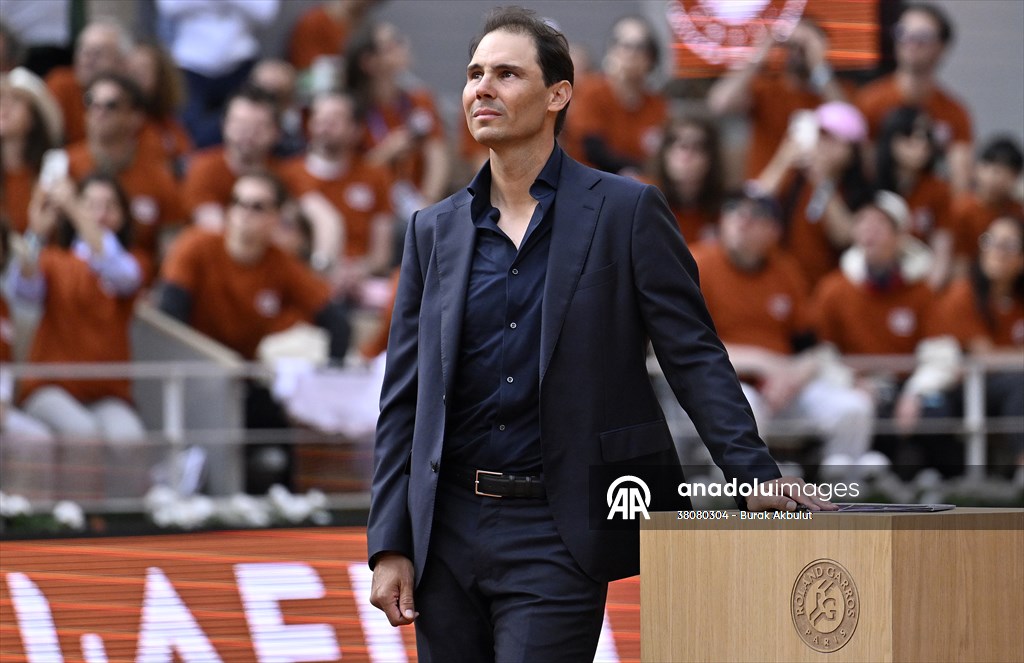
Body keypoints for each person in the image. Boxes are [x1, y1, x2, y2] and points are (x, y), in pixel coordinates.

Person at [367, 8, 831, 662]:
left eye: (506, 73)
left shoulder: (626, 211)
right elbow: (404, 398)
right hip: (445, 533)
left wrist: (751, 471)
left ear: (558, 94)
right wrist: (391, 541)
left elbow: (692, 353)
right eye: (474, 74)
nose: (482, 89)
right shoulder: (431, 231)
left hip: (561, 528)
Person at [159, 171, 350, 491]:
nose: (244, 214)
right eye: (238, 203)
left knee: (279, 423)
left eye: (257, 207)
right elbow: (169, 320)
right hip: (191, 373)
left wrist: (328, 376)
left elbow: (336, 321)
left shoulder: (280, 264)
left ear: (275, 217)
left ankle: (289, 507)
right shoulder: (194, 246)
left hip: (241, 377)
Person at [692, 188, 874, 463]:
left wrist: (792, 377)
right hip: (722, 382)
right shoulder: (697, 263)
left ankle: (845, 492)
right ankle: (739, 498)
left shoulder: (786, 271)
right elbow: (685, 345)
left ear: (774, 231)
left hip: (783, 384)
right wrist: (762, 362)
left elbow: (812, 347)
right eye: (734, 209)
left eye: (757, 214)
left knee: (854, 408)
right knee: (743, 409)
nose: (743, 218)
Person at [10, 173, 148, 497]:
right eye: (90, 204)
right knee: (82, 434)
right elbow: (22, 290)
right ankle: (79, 525)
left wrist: (74, 207)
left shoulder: (133, 261)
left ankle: (129, 528)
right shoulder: (55, 260)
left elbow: (119, 273)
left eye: (109, 206)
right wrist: (36, 231)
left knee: (130, 440)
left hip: (107, 393)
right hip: (50, 388)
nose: (99, 214)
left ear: (123, 215)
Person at [811, 191, 960, 468]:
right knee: (853, 409)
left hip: (907, 386)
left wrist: (915, 392)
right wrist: (850, 382)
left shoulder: (921, 290)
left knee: (937, 412)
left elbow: (941, 354)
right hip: (857, 386)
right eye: (863, 223)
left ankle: (936, 485)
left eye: (880, 225)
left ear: (900, 235)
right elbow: (818, 353)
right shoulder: (833, 289)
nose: (870, 232)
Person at [181, 85, 342, 271]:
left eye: (258, 127)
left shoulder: (284, 172)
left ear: (276, 132)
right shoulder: (205, 168)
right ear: (224, 125)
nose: (247, 133)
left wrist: (321, 264)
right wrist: (278, 235)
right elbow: (215, 230)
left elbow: (326, 219)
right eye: (240, 124)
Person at [66, 72, 184, 283]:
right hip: (71, 280)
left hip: (137, 289)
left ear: (135, 117)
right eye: (91, 102)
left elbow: (171, 246)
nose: (98, 112)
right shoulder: (65, 166)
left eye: (111, 105)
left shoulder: (158, 177)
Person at [925, 215, 1024, 466]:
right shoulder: (963, 292)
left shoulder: (1018, 299)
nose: (998, 252)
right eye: (991, 241)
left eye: (1009, 245)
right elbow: (984, 357)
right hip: (961, 388)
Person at [708, 17, 850, 179]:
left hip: (820, 199)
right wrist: (759, 54)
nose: (798, 54)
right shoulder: (766, 88)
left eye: (804, 48)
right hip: (766, 192)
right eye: (793, 47)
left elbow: (849, 124)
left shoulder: (836, 90)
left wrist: (819, 66)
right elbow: (720, 103)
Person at [855, 3, 972, 192]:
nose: (911, 42)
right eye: (902, 33)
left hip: (930, 210)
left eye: (923, 37)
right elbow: (861, 170)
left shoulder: (955, 112)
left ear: (941, 47)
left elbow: (961, 185)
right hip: (879, 203)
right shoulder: (869, 101)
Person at [755, 100, 873, 287]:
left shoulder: (857, 189)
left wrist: (822, 180)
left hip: (829, 284)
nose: (822, 143)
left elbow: (844, 236)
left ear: (852, 150)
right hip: (784, 280)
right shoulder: (797, 177)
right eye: (820, 135)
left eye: (831, 138)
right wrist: (785, 157)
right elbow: (756, 198)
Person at [344, 21, 451, 215]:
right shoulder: (351, 111)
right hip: (370, 208)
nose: (404, 45)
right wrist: (386, 153)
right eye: (393, 43)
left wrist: (427, 202)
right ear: (369, 62)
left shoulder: (420, 99)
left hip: (419, 204)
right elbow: (346, 174)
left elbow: (437, 155)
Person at [156, 0, 279, 148]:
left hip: (239, 60)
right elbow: (170, 6)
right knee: (186, 132)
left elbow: (265, 12)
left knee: (241, 132)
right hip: (189, 62)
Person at [564, 14, 666, 176]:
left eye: (640, 46)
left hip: (643, 186)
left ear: (651, 57)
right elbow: (593, 150)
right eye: (624, 45)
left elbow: (661, 157)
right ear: (611, 50)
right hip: (591, 182)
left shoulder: (657, 105)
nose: (631, 53)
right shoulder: (591, 91)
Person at [875, 106, 954, 289]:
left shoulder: (938, 189)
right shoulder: (871, 183)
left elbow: (942, 249)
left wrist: (928, 294)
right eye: (910, 135)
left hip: (920, 278)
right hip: (873, 279)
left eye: (926, 137)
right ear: (891, 139)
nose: (921, 144)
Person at [45, 19, 131, 146]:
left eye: (98, 52)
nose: (88, 58)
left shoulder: (131, 96)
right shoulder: (60, 84)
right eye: (84, 50)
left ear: (121, 61)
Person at [0, 66, 63, 233]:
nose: (4, 105)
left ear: (35, 118)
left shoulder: (54, 171)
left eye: (16, 99)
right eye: (1, 98)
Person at [650, 112, 724, 244]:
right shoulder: (641, 198)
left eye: (697, 146)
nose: (686, 153)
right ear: (664, 153)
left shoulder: (724, 212)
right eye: (675, 141)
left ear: (711, 159)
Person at [950, 137, 1024, 268]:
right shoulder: (962, 208)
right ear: (977, 169)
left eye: (1006, 172)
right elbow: (960, 261)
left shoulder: (1017, 211)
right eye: (992, 169)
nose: (996, 178)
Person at [125, 40, 193, 179]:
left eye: (142, 70)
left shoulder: (171, 131)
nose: (134, 77)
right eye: (131, 69)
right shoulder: (114, 119)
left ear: (161, 79)